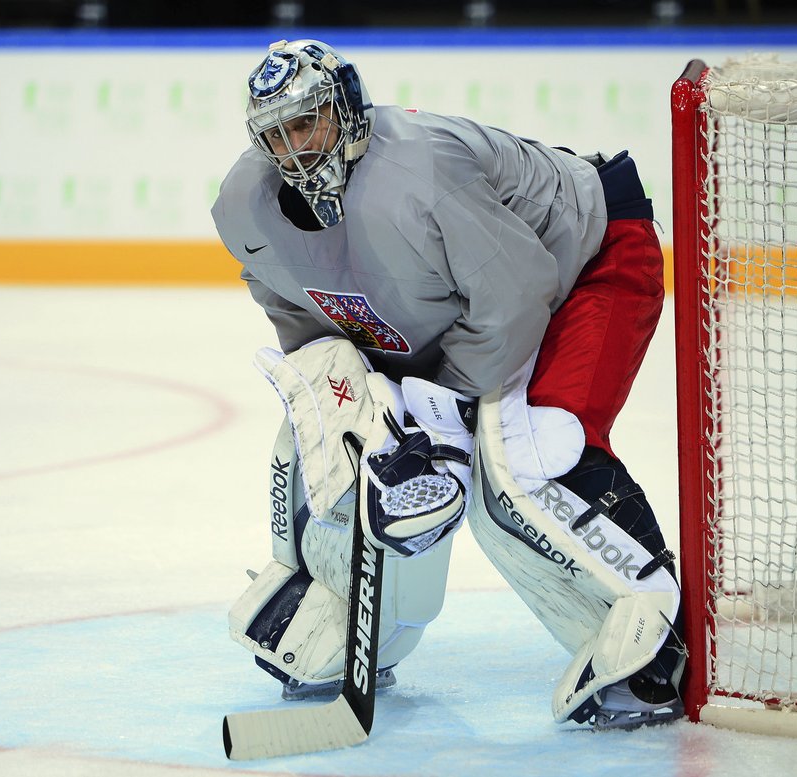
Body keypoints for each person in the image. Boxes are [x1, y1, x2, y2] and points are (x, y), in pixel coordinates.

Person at [212, 39, 685, 730]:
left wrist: (442, 407)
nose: (294, 146)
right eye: (276, 134)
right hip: (456, 311)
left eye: (307, 121)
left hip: (586, 259)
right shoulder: (245, 206)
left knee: (523, 453)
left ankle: (652, 628)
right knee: (335, 438)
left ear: (345, 107)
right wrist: (366, 407)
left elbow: (519, 292)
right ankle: (351, 616)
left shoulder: (420, 173)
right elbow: (300, 313)